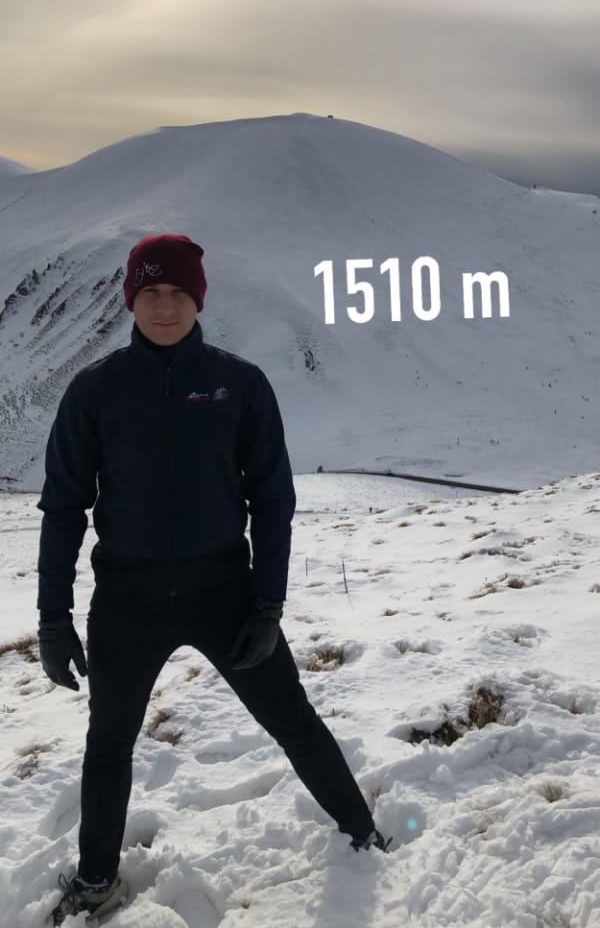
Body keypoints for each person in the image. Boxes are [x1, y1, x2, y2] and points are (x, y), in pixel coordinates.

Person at [37, 233, 390, 925]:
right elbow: (64, 505)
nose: (164, 307)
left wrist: (268, 604)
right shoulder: (96, 390)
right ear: (131, 299)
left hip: (224, 593)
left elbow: (272, 499)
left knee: (292, 719)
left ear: (199, 298)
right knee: (108, 745)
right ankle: (96, 881)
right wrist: (53, 617)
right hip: (128, 600)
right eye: (150, 292)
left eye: (178, 292)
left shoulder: (240, 385)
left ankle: (363, 835)